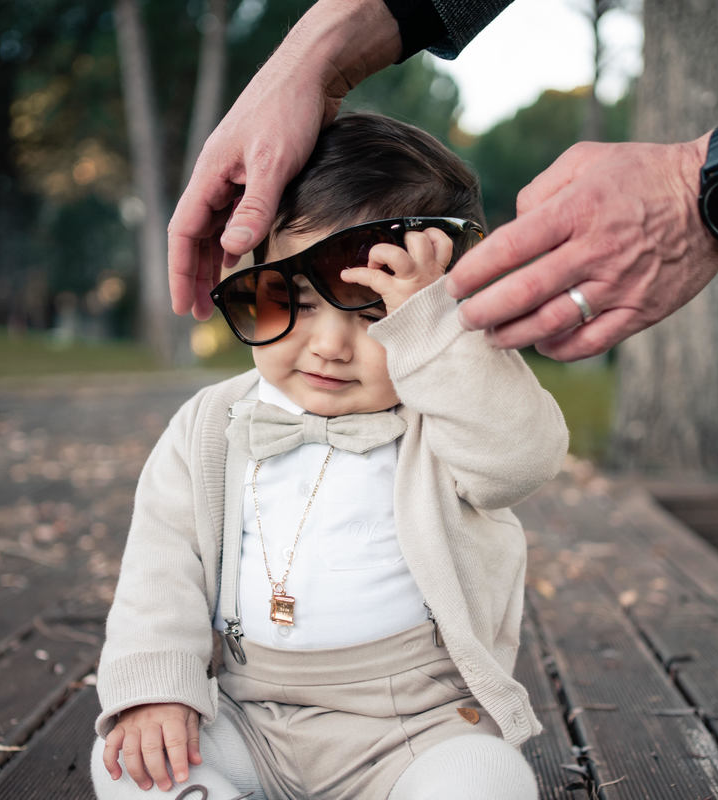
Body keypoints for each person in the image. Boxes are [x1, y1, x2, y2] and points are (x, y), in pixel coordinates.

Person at [93, 112, 568, 799]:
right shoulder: (211, 425)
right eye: (299, 301)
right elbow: (160, 566)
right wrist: (156, 691)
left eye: (375, 314)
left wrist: (435, 333)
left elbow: (521, 459)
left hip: (416, 724)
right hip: (248, 714)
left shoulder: (446, 415)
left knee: (487, 781)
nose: (330, 346)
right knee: (131, 768)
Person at [167, 0, 718, 363]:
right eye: (274, 298)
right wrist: (319, 48)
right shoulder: (213, 436)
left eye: (367, 301)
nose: (326, 345)